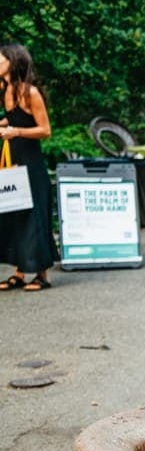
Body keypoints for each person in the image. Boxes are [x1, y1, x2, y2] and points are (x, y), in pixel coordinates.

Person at [0, 43, 57, 291]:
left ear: (13, 63)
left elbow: (45, 130)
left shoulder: (30, 92)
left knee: (34, 216)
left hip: (31, 164)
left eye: (0, 60)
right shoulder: (5, 91)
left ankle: (42, 274)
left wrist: (15, 131)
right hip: (11, 160)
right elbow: (12, 120)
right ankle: (20, 273)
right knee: (15, 213)